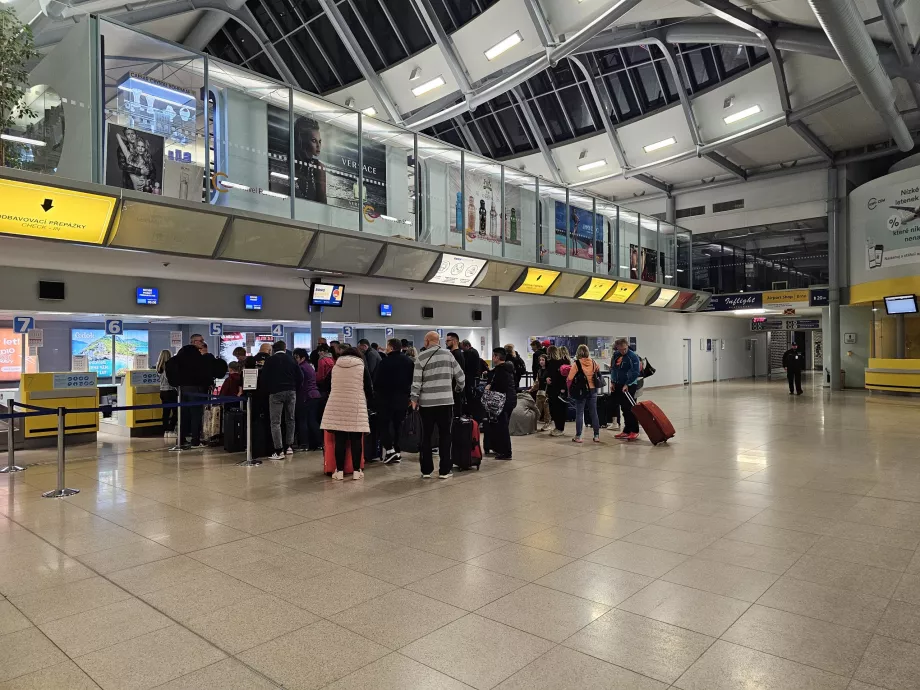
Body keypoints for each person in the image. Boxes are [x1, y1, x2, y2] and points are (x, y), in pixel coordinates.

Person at [410, 331, 465, 479]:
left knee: (426, 436)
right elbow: (461, 376)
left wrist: (414, 400)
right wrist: (458, 389)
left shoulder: (420, 357)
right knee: (445, 435)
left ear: (427, 341)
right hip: (446, 402)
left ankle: (426, 471)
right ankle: (444, 470)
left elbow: (416, 382)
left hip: (427, 404)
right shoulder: (449, 355)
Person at [321, 346, 373, 480]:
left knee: (340, 440)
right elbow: (369, 388)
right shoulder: (361, 368)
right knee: (356, 440)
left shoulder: (335, 367)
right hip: (356, 406)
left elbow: (324, 385)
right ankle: (357, 471)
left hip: (338, 406)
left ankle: (339, 471)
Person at [165, 339, 214, 448]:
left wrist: (175, 383)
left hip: (181, 390)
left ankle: (181, 439)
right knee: (196, 415)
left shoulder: (176, 360)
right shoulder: (199, 360)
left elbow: (169, 370)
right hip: (196, 390)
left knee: (182, 415)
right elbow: (206, 374)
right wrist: (208, 383)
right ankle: (195, 440)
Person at [259, 340, 303, 459]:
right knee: (290, 419)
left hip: (276, 393)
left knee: (275, 422)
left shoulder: (270, 360)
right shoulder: (292, 359)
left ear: (273, 349)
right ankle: (289, 446)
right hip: (291, 392)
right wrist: (295, 388)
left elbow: (264, 378)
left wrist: (269, 390)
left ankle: (278, 451)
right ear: (285, 348)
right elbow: (300, 376)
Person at [374, 338, 414, 464]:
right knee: (398, 426)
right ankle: (397, 451)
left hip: (386, 399)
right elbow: (412, 380)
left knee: (384, 425)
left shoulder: (384, 362)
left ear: (391, 347)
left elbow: (377, 382)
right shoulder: (408, 361)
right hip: (402, 399)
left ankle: (390, 450)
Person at [567, 344, 601, 444]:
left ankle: (578, 436)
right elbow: (597, 372)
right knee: (594, 412)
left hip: (581, 391)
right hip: (593, 390)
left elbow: (569, 378)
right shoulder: (594, 362)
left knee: (579, 413)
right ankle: (596, 435)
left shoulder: (576, 364)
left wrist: (569, 390)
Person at [486, 347, 515, 460]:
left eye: (493, 356)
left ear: (497, 357)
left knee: (502, 427)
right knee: (502, 426)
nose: (492, 358)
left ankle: (506, 452)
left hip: (502, 402)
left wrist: (490, 387)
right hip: (510, 400)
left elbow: (500, 387)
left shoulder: (500, 370)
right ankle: (501, 449)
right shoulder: (509, 368)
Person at [611, 337, 641, 441]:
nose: (622, 351)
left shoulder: (633, 357)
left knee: (630, 408)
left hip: (630, 385)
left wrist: (627, 384)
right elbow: (614, 369)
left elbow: (635, 372)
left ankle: (635, 430)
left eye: (624, 349)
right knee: (623, 408)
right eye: (620, 349)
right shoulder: (616, 355)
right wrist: (612, 382)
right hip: (618, 384)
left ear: (627, 346)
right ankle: (626, 430)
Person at [293, 348, 322, 451]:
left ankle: (304, 444)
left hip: (306, 396)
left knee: (303, 421)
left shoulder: (301, 368)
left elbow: (300, 384)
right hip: (315, 395)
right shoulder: (309, 366)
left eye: (296, 357)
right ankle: (319, 443)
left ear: (303, 358)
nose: (295, 359)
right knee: (312, 420)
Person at [293, 116, 327, 203]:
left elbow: (323, 202)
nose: (318, 146)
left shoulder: (319, 168)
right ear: (303, 140)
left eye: (319, 141)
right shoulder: (289, 162)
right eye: (314, 141)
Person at [544, 345, 569, 437]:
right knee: (553, 409)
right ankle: (557, 427)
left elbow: (562, 377)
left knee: (559, 409)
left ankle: (560, 428)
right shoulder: (551, 363)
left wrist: (562, 389)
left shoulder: (560, 363)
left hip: (558, 390)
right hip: (553, 389)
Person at [156, 350, 177, 439]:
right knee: (176, 412)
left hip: (162, 391)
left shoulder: (158, 367)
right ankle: (171, 429)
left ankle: (165, 430)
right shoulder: (168, 367)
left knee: (166, 412)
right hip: (170, 391)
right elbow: (170, 380)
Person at [445, 332, 466, 413]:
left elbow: (458, 374)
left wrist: (457, 388)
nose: (446, 343)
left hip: (456, 389)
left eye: (447, 341)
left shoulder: (456, 354)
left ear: (454, 341)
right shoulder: (454, 354)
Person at [530, 353, 551, 431]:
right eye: (540, 360)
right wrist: (532, 389)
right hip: (539, 392)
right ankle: (533, 423)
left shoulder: (549, 370)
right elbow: (537, 382)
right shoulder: (539, 370)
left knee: (547, 410)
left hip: (546, 392)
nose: (541, 361)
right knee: (537, 409)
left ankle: (547, 423)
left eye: (543, 360)